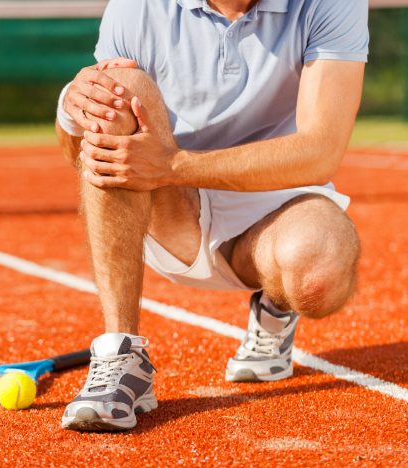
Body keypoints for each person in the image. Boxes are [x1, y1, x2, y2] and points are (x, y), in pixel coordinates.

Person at [55, 0, 368, 431]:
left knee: (320, 271)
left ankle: (274, 311)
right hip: (168, 204)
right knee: (116, 89)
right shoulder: (136, 7)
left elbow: (321, 150)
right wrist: (71, 109)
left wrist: (174, 164)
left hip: (274, 201)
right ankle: (120, 353)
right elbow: (82, 150)